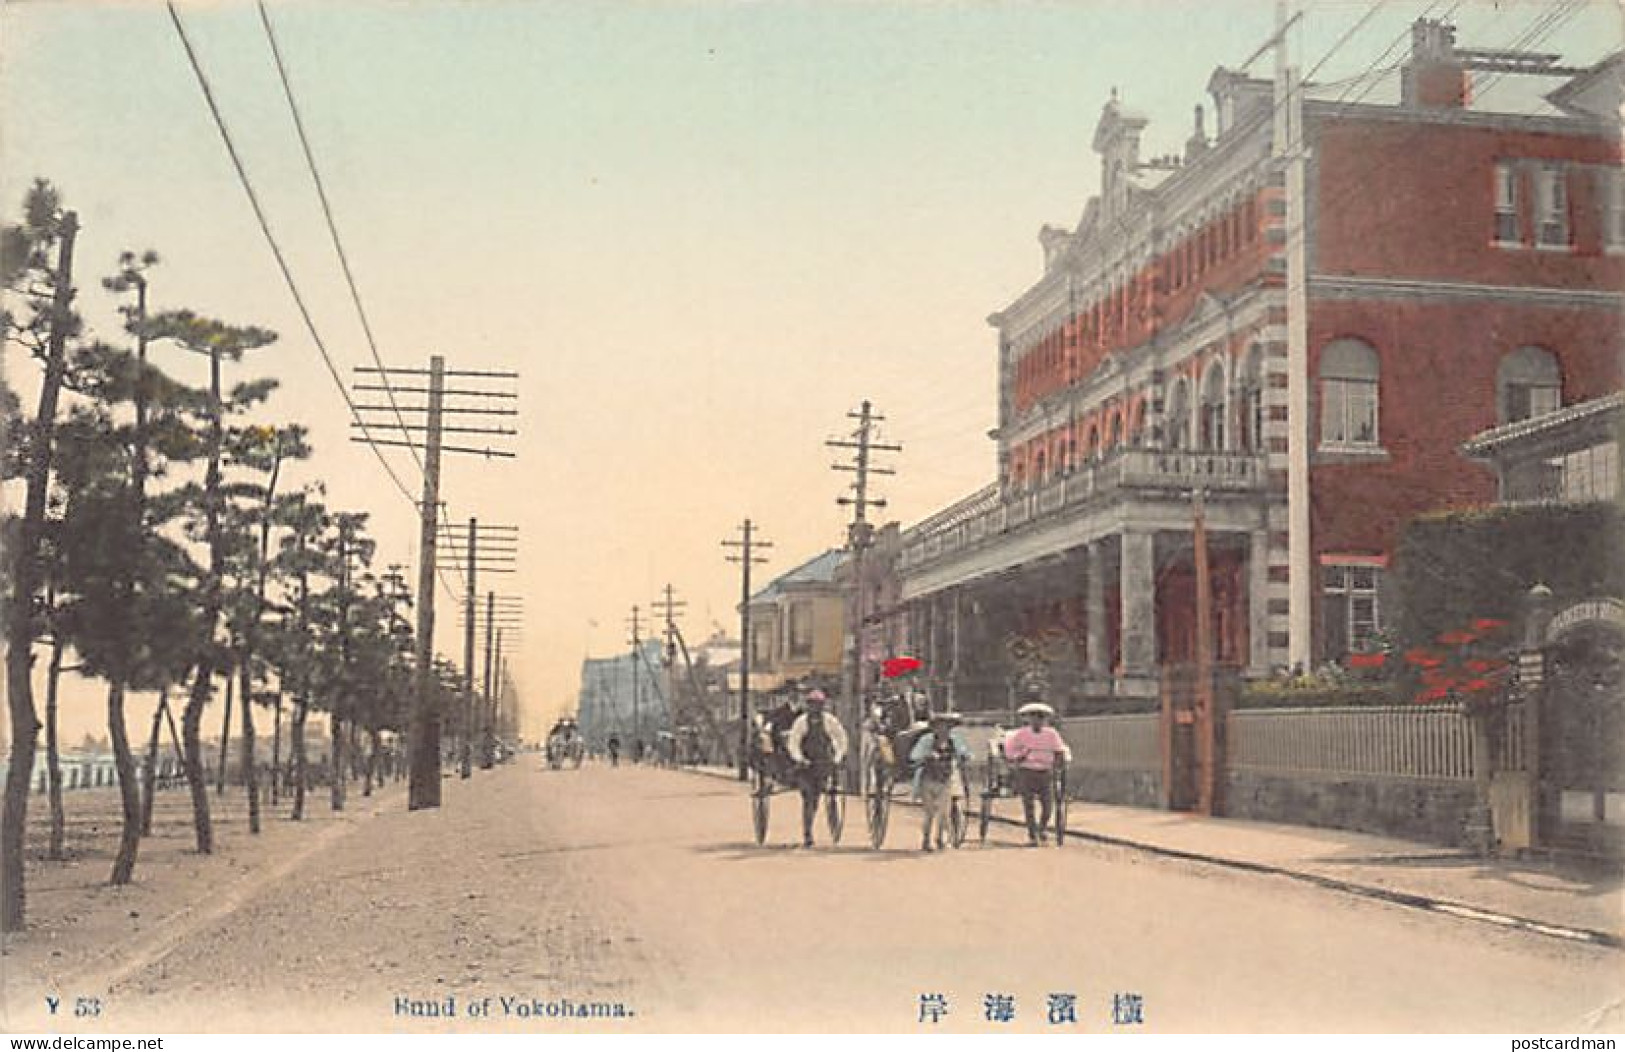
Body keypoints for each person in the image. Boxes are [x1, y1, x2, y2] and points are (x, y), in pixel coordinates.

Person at [783, 689, 849, 848]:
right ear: (808, 706)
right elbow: (794, 742)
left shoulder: (830, 721)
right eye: (812, 705)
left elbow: (841, 740)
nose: (815, 708)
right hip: (806, 765)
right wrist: (799, 758)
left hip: (823, 763)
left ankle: (810, 827)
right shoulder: (801, 722)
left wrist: (837, 758)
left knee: (816, 797)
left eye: (818, 705)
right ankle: (807, 833)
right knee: (808, 797)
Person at [1003, 699, 1071, 846]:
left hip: (1045, 772)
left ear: (1045, 719)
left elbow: (1059, 750)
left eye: (1041, 717)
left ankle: (1042, 828)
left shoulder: (1052, 734)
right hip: (1026, 771)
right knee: (1029, 805)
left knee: (1048, 804)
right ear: (1028, 719)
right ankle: (1032, 835)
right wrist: (1019, 756)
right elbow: (1010, 752)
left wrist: (1058, 763)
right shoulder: (1020, 734)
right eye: (1033, 717)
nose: (1037, 720)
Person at [909, 712, 972, 852]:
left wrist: (964, 757)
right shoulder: (926, 740)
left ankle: (940, 838)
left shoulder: (955, 740)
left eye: (947, 727)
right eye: (940, 726)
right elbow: (914, 756)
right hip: (927, 779)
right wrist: (928, 756)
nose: (944, 730)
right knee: (929, 812)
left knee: (944, 812)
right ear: (934, 728)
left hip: (946, 779)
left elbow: (965, 753)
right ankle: (926, 839)